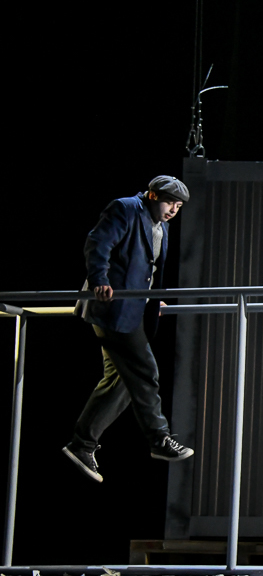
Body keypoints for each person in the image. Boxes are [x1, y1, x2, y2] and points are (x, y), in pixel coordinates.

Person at [62, 176, 196, 483]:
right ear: (152, 195)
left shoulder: (162, 226)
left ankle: (82, 444)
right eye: (169, 203)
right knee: (144, 372)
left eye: (178, 206)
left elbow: (147, 269)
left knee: (122, 381)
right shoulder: (125, 209)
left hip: (131, 311)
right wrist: (99, 280)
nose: (173, 210)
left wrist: (151, 300)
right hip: (111, 309)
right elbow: (98, 243)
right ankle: (159, 439)